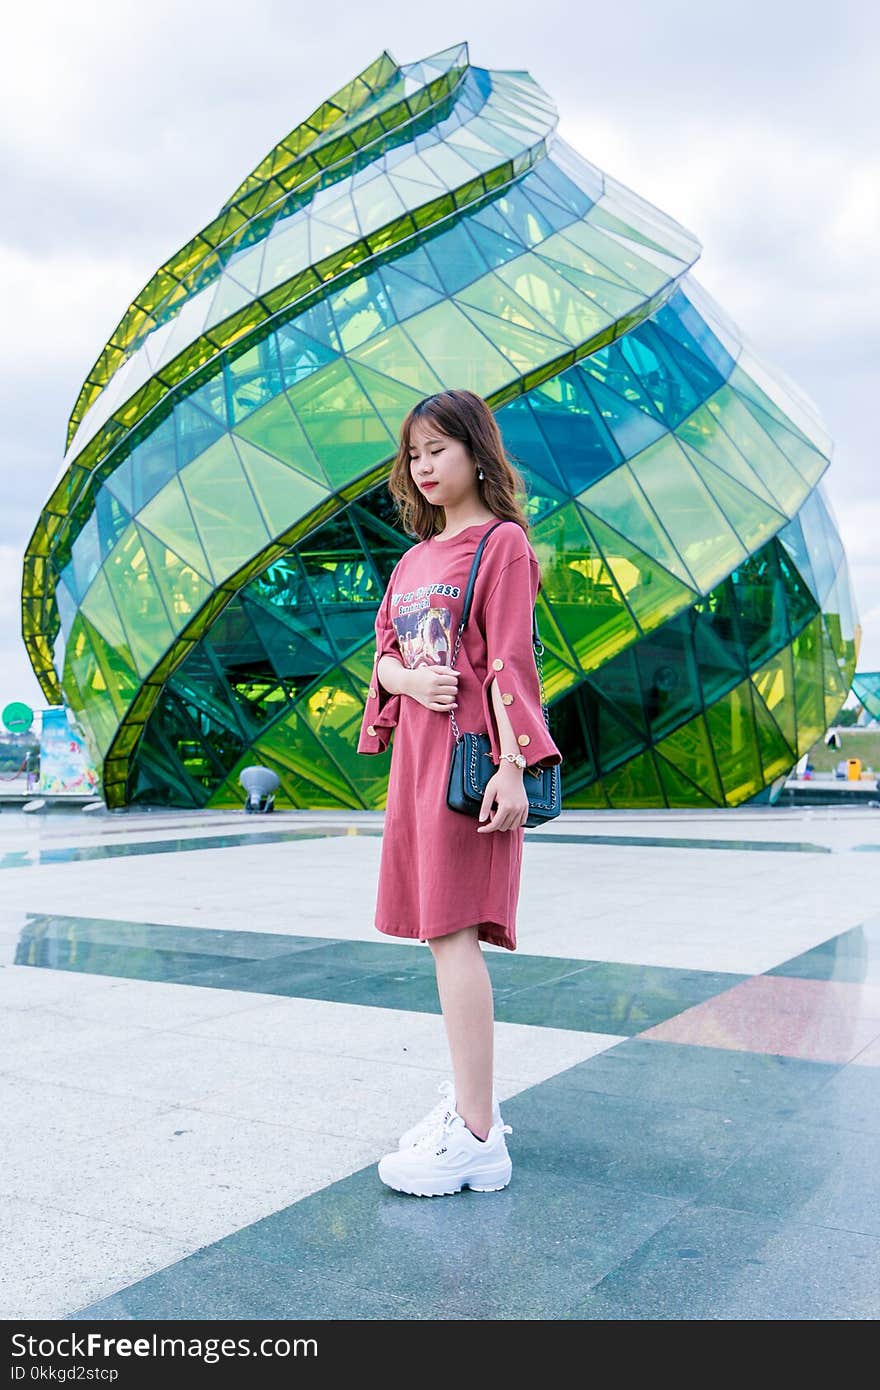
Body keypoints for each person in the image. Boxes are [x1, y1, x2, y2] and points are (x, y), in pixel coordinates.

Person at [356, 389, 563, 1197]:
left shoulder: (501, 544)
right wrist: (411, 675)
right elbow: (382, 656)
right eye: (414, 454)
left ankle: (477, 1134)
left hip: (472, 767)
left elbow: (512, 661)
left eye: (438, 449)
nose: (424, 466)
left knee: (453, 935)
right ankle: (472, 1113)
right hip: (417, 761)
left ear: (478, 451)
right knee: (439, 936)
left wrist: (515, 769)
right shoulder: (412, 561)